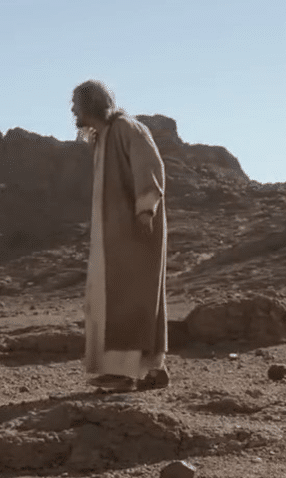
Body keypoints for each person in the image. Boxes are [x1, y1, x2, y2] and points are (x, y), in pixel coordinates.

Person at [71, 80, 169, 392]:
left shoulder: (127, 128)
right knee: (119, 299)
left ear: (91, 103)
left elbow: (149, 166)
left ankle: (124, 375)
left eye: (76, 103)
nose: (73, 110)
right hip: (112, 236)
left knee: (129, 299)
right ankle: (150, 369)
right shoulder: (103, 139)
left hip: (134, 229)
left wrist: (145, 209)